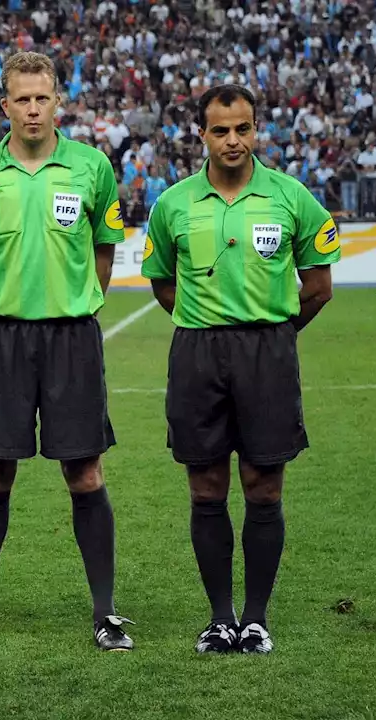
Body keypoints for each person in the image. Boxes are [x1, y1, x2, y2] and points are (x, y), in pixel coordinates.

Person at [0, 51, 134, 652]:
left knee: (85, 471)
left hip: (72, 336)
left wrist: (77, 300)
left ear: (57, 101)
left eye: (41, 98)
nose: (32, 108)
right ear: (5, 106)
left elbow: (105, 248)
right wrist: (2, 301)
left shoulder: (92, 167)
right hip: (0, 338)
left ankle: (105, 614)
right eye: (21, 99)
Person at [142, 84, 340, 654]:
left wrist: (272, 336)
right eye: (222, 130)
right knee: (206, 487)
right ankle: (219, 617)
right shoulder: (172, 204)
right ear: (201, 135)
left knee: (263, 486)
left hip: (268, 354)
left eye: (244, 128)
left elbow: (319, 287)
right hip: (198, 353)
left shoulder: (291, 197)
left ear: (257, 130)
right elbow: (162, 281)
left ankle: (255, 619)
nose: (234, 140)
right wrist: (210, 323)